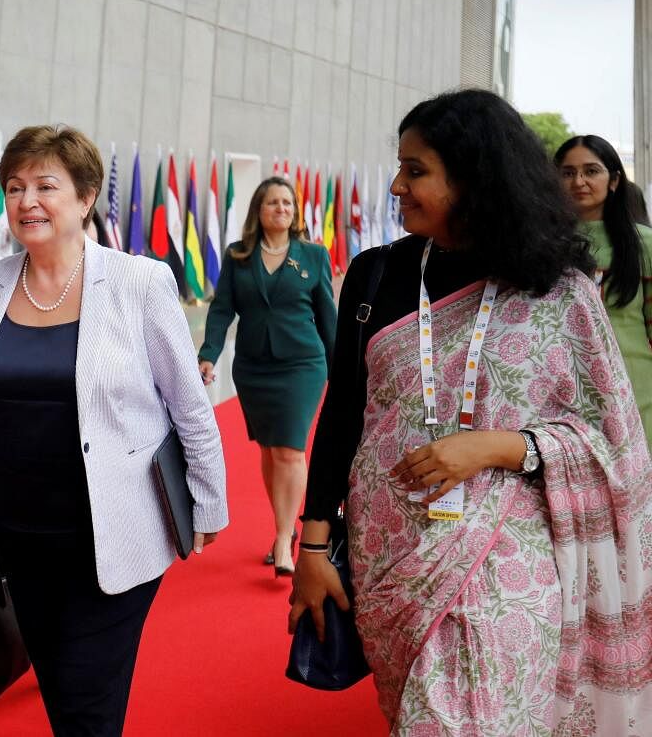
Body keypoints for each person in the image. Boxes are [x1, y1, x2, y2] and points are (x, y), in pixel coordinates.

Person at [289, 89, 652, 734]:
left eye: (417, 170)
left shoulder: (557, 287)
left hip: (509, 556)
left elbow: (610, 439)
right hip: (390, 554)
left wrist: (495, 446)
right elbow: (343, 414)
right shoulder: (375, 277)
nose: (397, 184)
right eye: (399, 167)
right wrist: (313, 546)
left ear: (474, 176)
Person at [0, 124, 228, 736]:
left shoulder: (139, 282)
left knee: (87, 708)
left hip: (111, 537)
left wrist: (207, 502)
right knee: (59, 693)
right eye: (15, 186)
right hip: (18, 542)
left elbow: (189, 404)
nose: (27, 201)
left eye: (46, 186)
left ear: (85, 198)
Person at [197, 176, 335, 576]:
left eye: (287, 203)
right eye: (273, 202)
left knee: (291, 449)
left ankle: (280, 539)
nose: (281, 209)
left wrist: (342, 367)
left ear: (295, 213)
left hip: (302, 365)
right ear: (259, 209)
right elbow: (222, 309)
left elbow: (328, 316)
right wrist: (208, 354)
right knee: (270, 451)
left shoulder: (313, 256)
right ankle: (284, 527)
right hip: (254, 368)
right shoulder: (239, 255)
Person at [553, 134, 652, 448]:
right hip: (562, 397)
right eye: (567, 173)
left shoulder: (645, 245)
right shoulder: (541, 246)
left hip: (636, 393)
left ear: (614, 181)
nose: (579, 181)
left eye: (591, 171)